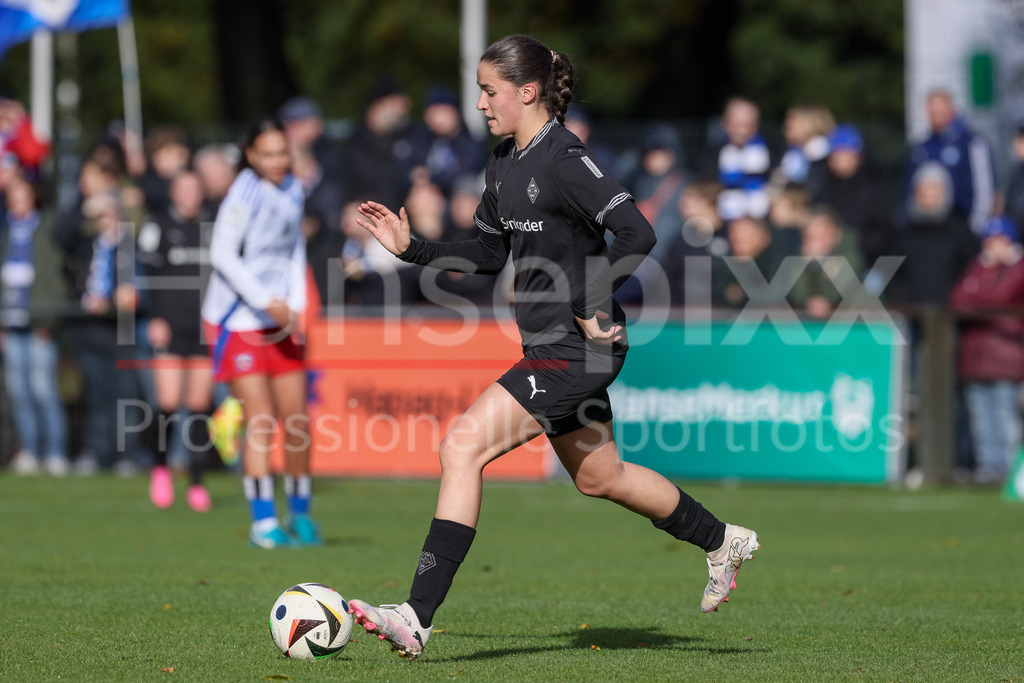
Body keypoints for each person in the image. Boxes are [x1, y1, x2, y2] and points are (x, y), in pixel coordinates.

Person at [346, 34, 759, 661]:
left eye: (489, 91)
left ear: (527, 91)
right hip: (551, 346)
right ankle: (722, 540)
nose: (480, 103)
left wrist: (592, 300)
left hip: (577, 349)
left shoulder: (565, 158)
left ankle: (415, 616)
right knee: (601, 477)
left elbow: (637, 232)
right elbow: (489, 254)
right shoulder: (502, 161)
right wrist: (415, 250)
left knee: (461, 447)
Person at [201, 118, 320, 548]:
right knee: (262, 420)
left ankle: (300, 514)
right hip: (239, 320)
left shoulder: (292, 188)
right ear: (250, 156)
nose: (277, 161)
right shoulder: (243, 193)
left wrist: (296, 304)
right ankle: (263, 522)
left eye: (282, 152)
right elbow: (222, 254)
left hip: (280, 320)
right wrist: (265, 300)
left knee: (297, 421)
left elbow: (294, 249)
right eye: (267, 154)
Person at [137, 171, 214, 511]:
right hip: (170, 326)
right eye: (182, 188)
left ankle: (197, 482)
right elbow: (150, 275)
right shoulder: (158, 225)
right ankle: (160, 468)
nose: (189, 194)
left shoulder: (214, 226)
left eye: (194, 188)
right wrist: (155, 317)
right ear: (173, 192)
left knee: (199, 406)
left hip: (204, 327)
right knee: (167, 403)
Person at [949, 215, 1024, 484]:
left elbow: (1000, 297)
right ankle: (988, 468)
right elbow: (957, 298)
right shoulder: (979, 266)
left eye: (999, 240)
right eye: (989, 240)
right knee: (981, 417)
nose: (993, 246)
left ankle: (1010, 471)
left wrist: (977, 296)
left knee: (1005, 415)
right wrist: (981, 293)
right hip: (976, 355)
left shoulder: (1018, 267)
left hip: (1007, 355)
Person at [1, 179, 69, 476]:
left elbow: (55, 280)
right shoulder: (6, 234)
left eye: (22, 196)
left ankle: (55, 452)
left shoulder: (47, 230)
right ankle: (29, 451)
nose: (17, 202)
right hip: (11, 325)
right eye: (12, 197)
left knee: (44, 390)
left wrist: (48, 319)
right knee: (19, 393)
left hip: (40, 323)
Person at [905, 88, 995, 234]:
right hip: (926, 231)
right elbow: (909, 190)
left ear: (951, 108)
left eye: (940, 107)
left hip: (962, 226)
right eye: (932, 108)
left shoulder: (972, 143)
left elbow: (984, 192)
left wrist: (973, 230)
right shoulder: (921, 147)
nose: (936, 112)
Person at [814, 125, 891, 266]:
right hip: (825, 261)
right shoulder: (821, 188)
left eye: (846, 154)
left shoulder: (874, 190)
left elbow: (882, 233)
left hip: (865, 261)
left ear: (859, 157)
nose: (841, 159)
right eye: (837, 154)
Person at [787, 207, 866, 319]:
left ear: (837, 234)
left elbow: (839, 292)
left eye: (821, 234)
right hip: (814, 321)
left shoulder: (851, 253)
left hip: (859, 320)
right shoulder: (801, 255)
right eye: (810, 236)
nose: (815, 241)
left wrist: (826, 301)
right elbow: (797, 294)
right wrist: (805, 263)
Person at [701, 96, 771, 222]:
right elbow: (707, 189)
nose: (742, 131)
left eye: (748, 125)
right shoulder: (712, 155)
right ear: (724, 123)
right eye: (737, 124)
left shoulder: (772, 152)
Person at [1003, 124, 1024, 235]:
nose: (1016, 145)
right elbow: (1008, 209)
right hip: (1017, 235)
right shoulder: (1014, 172)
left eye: (1021, 141)